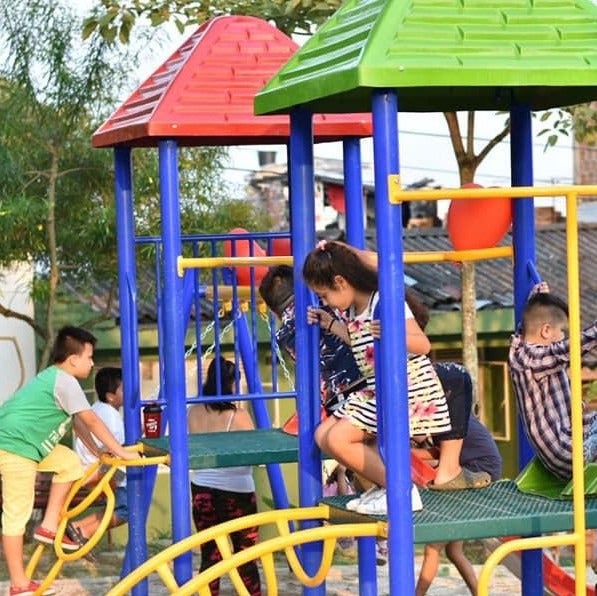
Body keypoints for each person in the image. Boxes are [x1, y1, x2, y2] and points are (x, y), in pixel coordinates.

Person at [302, 240, 487, 515]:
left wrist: (393, 332)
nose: (325, 302)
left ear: (341, 282)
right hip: (378, 388)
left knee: (339, 438)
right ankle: (384, 487)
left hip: (407, 387)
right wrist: (330, 324)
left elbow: (422, 345)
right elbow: (360, 341)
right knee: (322, 435)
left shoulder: (384, 302)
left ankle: (401, 490)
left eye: (324, 295)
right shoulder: (352, 309)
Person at [0, 326, 138, 596]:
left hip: (29, 444)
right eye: (89, 357)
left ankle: (49, 525)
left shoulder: (58, 379)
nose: (92, 363)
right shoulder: (64, 381)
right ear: (73, 359)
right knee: (16, 514)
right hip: (15, 446)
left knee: (69, 463)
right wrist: (121, 452)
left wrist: (98, 452)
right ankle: (19, 584)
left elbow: (78, 422)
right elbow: (91, 421)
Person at [412, 365, 503, 595]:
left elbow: (438, 455)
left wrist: (407, 451)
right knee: (453, 551)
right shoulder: (450, 417)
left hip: (479, 472)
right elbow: (440, 454)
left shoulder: (448, 420)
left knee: (433, 546)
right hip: (475, 469)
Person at [188, 356, 261, 596]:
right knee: (246, 556)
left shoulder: (193, 412)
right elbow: (255, 451)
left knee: (210, 556)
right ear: (230, 383)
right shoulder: (238, 415)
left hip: (202, 489)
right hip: (237, 491)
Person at [509, 281, 597, 480]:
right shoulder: (530, 359)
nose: (563, 337)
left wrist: (539, 294)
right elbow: (569, 349)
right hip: (567, 451)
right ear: (546, 331)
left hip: (573, 436)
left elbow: (526, 326)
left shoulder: (525, 350)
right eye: (562, 332)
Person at [259, 264, 363, 418]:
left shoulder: (284, 335)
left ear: (273, 312)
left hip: (336, 398)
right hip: (364, 381)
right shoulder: (328, 303)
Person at [70, 367, 128, 547]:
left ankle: (78, 529)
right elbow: (114, 448)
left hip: (90, 467)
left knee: (125, 505)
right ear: (111, 396)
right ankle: (82, 529)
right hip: (100, 469)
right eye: (124, 389)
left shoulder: (98, 408)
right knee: (129, 507)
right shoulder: (111, 415)